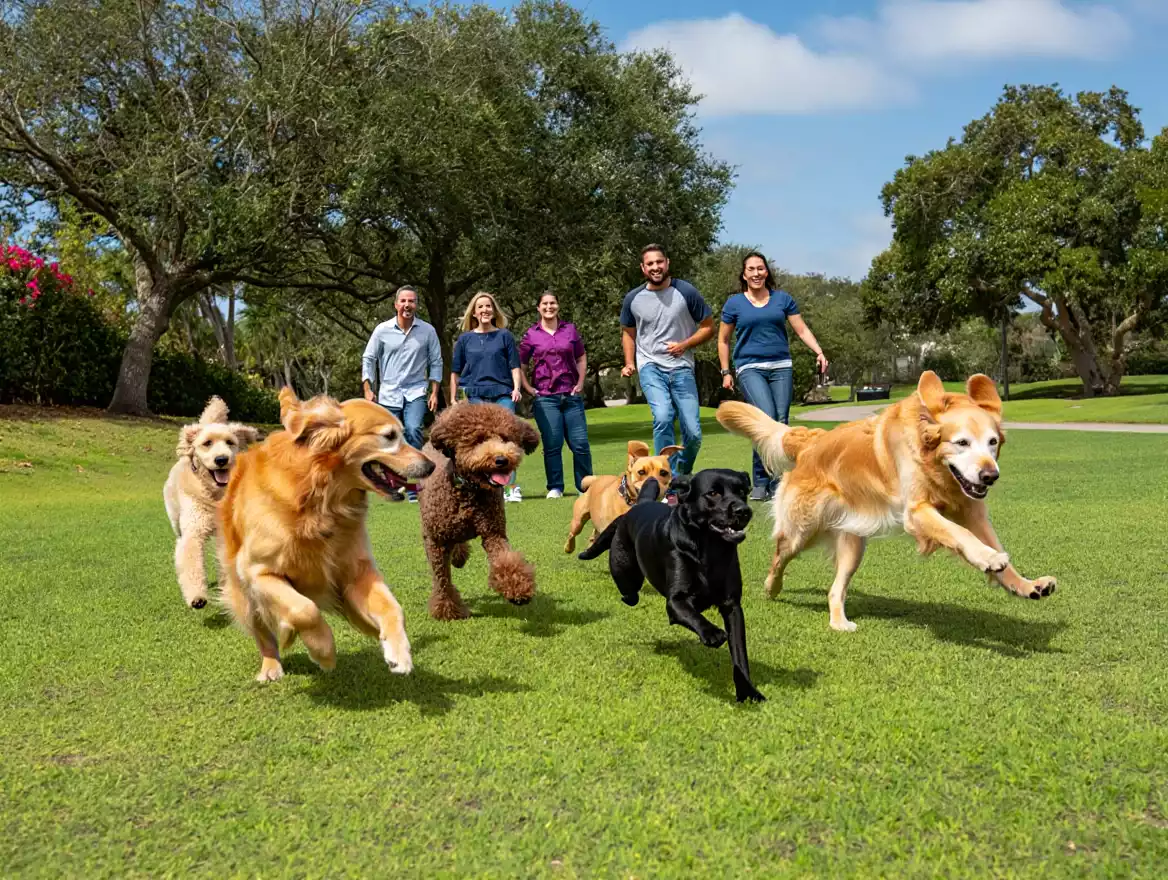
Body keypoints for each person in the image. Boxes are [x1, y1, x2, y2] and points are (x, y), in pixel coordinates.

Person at [718, 251, 829, 501]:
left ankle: (780, 480)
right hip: (749, 366)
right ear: (744, 275)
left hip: (781, 365)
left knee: (781, 420)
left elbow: (800, 329)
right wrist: (726, 371)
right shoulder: (734, 304)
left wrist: (819, 351)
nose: (756, 273)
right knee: (765, 419)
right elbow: (723, 340)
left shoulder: (782, 299)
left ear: (766, 272)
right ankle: (760, 481)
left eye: (761, 268)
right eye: (751, 269)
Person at [620, 243, 714, 476]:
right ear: (643, 268)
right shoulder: (633, 298)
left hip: (682, 368)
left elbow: (708, 327)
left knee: (693, 432)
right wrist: (630, 362)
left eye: (659, 262)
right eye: (650, 263)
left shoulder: (686, 292)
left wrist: (685, 344)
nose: (655, 267)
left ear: (667, 263)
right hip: (650, 365)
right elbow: (628, 332)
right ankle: (667, 477)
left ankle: (681, 472)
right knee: (662, 416)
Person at [362, 285, 443, 502]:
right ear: (396, 304)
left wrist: (434, 392)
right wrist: (368, 388)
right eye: (404, 301)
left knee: (414, 429)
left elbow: (436, 361)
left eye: (412, 301)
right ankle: (394, 484)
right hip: (388, 393)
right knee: (390, 439)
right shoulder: (382, 330)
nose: (407, 305)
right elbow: (368, 358)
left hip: (416, 390)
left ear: (416, 305)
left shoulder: (427, 331)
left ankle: (414, 485)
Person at [450, 291, 524, 501]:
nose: (485, 310)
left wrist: (516, 388)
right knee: (478, 443)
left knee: (507, 441)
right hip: (475, 397)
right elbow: (455, 372)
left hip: (503, 394)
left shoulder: (504, 336)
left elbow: (515, 366)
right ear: (474, 312)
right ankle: (481, 487)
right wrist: (454, 399)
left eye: (488, 306)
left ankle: (511, 489)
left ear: (494, 311)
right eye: (480, 307)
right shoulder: (465, 339)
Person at [519, 291, 594, 499]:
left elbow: (581, 357)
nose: (549, 307)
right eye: (545, 304)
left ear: (558, 306)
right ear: (538, 308)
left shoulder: (569, 330)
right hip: (545, 398)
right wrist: (528, 388)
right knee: (552, 444)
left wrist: (580, 382)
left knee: (580, 444)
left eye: (553, 303)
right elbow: (521, 365)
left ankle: (585, 486)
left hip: (571, 395)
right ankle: (555, 487)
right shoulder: (531, 335)